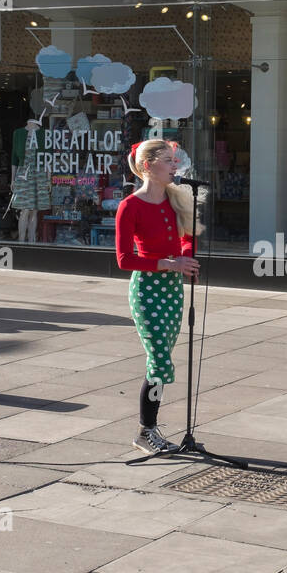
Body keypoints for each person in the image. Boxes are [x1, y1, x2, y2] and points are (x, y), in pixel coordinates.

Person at [114, 138, 201, 455]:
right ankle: (145, 432)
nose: (175, 165)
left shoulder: (175, 200)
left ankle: (149, 430)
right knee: (159, 362)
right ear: (148, 166)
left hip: (173, 290)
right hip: (148, 289)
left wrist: (187, 261)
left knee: (160, 362)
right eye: (167, 159)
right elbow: (124, 259)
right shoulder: (130, 206)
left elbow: (188, 237)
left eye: (174, 159)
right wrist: (168, 263)